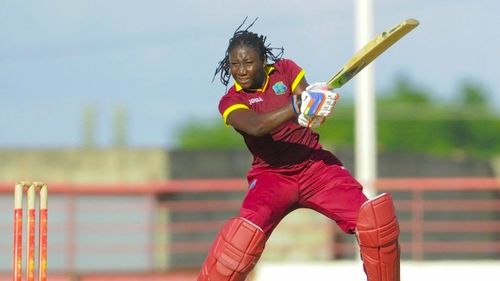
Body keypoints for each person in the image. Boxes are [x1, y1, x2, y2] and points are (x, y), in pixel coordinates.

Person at [198, 18, 401, 281]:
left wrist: (315, 107)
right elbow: (257, 126)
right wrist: (296, 106)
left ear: (263, 60)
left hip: (314, 168)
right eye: (234, 64)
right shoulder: (231, 100)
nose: (241, 70)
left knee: (375, 223)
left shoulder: (285, 69)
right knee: (238, 245)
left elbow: (308, 107)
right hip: (271, 177)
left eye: (248, 62)